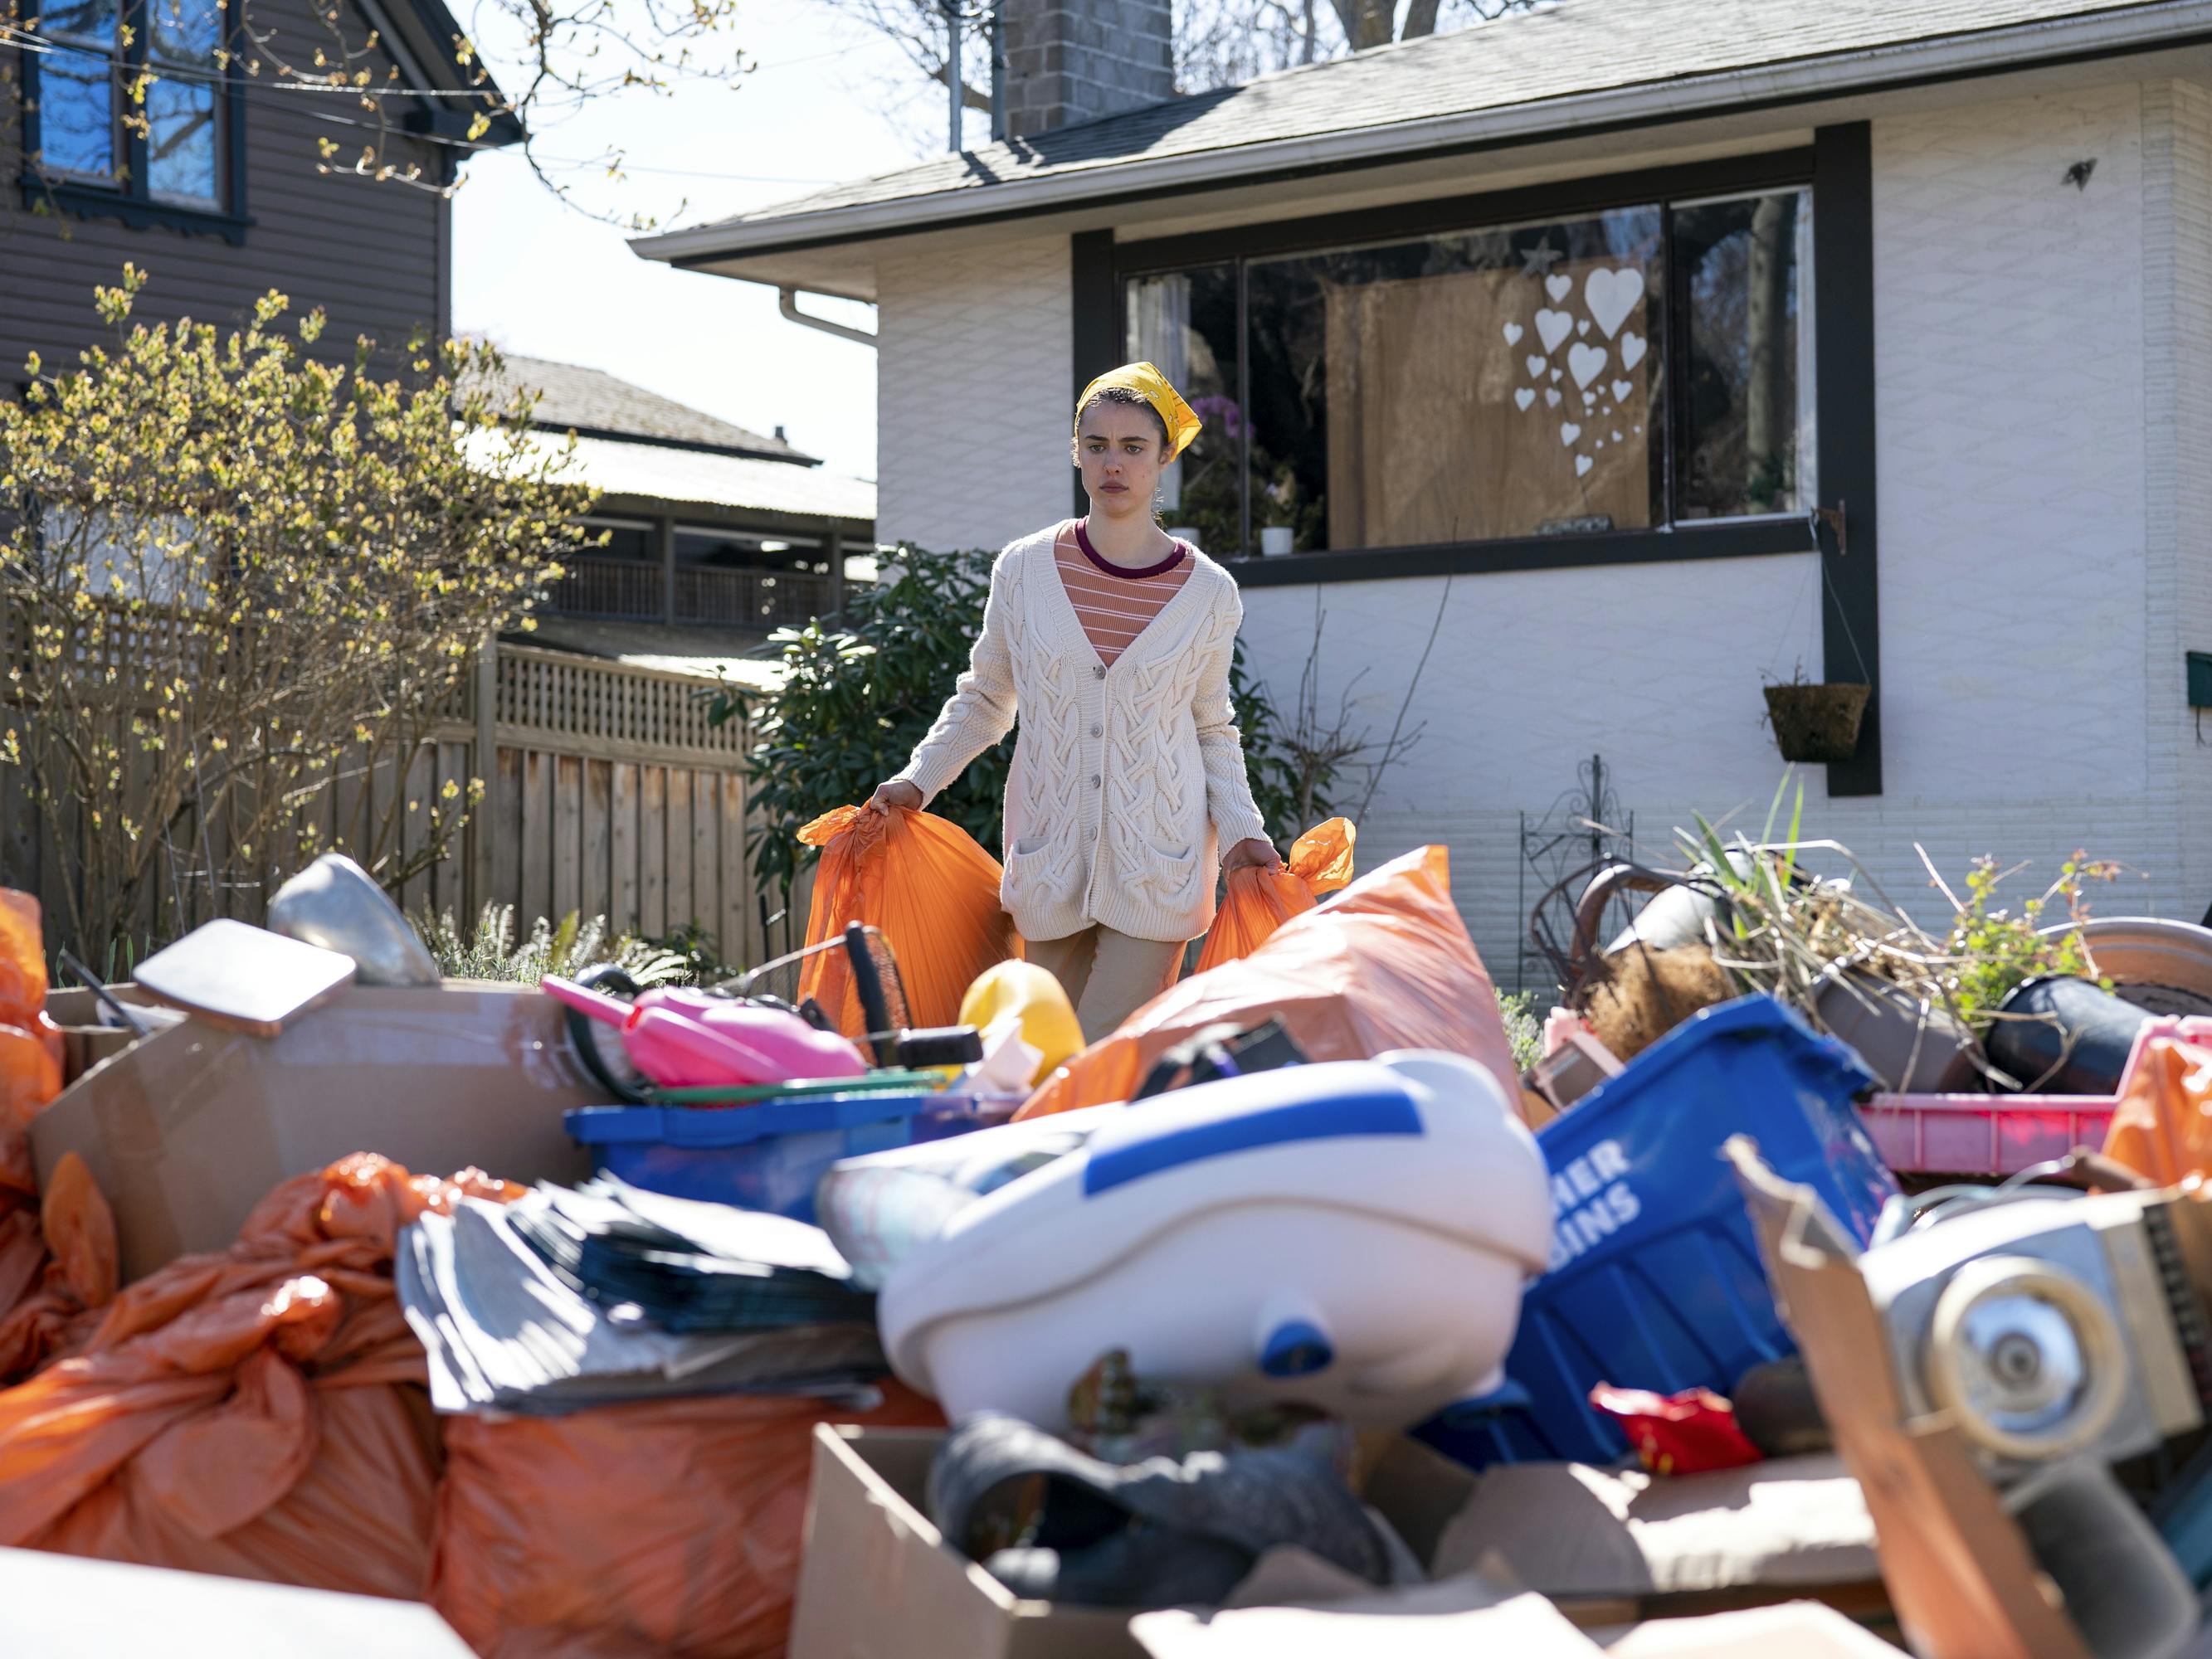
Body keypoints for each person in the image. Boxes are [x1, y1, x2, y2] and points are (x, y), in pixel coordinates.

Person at [868, 362, 1282, 1040]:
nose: (1112, 464)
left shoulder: (1209, 593)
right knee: (1029, 1056)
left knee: (1092, 1062)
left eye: (1132, 447)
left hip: (1159, 865)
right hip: (1048, 859)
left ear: (1165, 457)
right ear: (1076, 452)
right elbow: (985, 698)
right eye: (1096, 445)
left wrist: (1242, 829)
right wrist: (918, 781)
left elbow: (1212, 727)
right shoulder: (1024, 571)